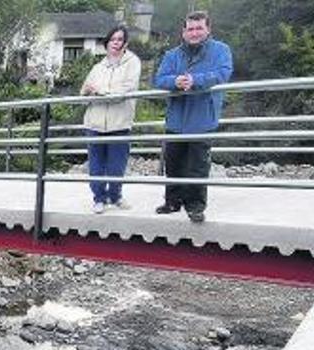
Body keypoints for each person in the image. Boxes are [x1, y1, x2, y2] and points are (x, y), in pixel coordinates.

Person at [153, 11, 233, 223]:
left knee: (197, 166)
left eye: (199, 28)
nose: (194, 33)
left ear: (208, 29)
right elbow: (160, 79)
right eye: (190, 29)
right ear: (184, 31)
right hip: (176, 119)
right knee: (174, 163)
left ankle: (195, 206)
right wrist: (175, 82)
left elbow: (223, 74)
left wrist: (195, 80)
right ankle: (172, 201)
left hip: (202, 119)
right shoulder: (172, 55)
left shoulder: (221, 50)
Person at [80, 26, 142, 214]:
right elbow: (83, 93)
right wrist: (90, 92)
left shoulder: (132, 63)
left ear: (125, 43)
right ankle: (99, 198)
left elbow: (124, 92)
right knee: (96, 165)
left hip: (119, 123)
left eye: (119, 39)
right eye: (112, 39)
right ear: (106, 43)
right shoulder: (97, 67)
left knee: (116, 165)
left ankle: (115, 196)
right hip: (95, 123)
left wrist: (98, 91)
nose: (115, 43)